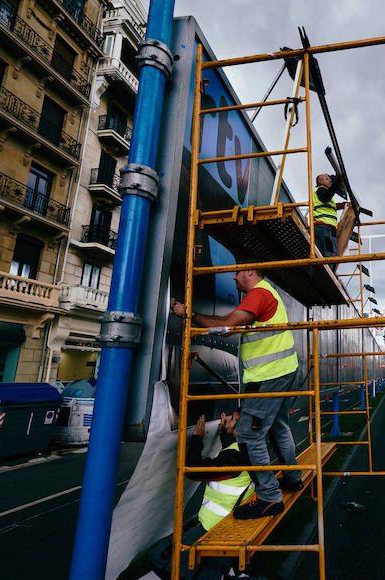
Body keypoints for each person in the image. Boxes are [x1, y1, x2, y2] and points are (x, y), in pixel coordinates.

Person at [189, 262, 304, 519]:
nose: (234, 277)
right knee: (278, 425)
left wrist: (191, 315)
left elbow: (226, 327)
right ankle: (294, 478)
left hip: (269, 375)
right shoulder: (268, 294)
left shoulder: (259, 294)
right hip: (283, 371)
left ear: (250, 272)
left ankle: (269, 497)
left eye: (237, 271)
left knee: (249, 434)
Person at [148, 410, 255, 579]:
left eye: (232, 419)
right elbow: (230, 460)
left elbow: (194, 471)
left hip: (214, 529)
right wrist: (225, 434)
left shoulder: (234, 457)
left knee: (163, 560)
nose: (226, 418)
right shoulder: (250, 447)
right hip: (226, 525)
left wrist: (197, 439)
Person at [312, 173, 347, 260]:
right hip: (324, 227)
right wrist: (337, 181)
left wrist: (344, 205)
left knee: (321, 256)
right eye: (327, 179)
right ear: (320, 181)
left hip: (323, 228)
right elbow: (326, 196)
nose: (330, 180)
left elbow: (332, 206)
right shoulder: (321, 190)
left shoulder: (322, 194)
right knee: (330, 256)